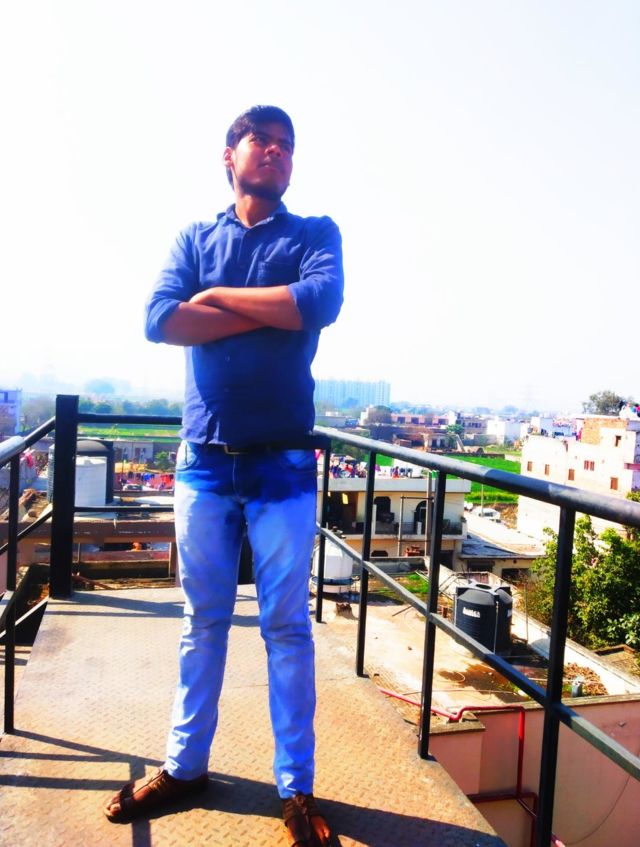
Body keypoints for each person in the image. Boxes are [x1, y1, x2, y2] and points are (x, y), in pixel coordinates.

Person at [103, 106, 343, 847]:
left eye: (286, 146)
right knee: (202, 621)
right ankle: (185, 767)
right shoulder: (194, 238)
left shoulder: (314, 234)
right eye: (260, 142)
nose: (275, 152)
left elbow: (319, 303)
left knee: (287, 627)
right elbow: (159, 320)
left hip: (283, 464)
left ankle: (295, 789)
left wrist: (214, 301)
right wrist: (272, 312)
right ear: (229, 157)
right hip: (203, 460)